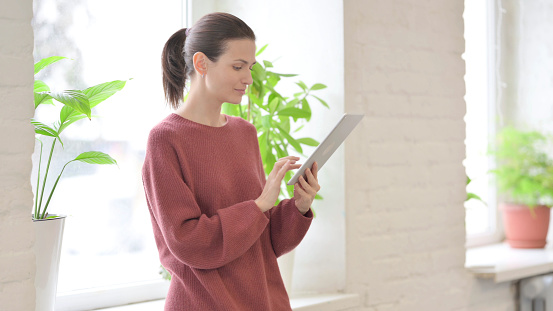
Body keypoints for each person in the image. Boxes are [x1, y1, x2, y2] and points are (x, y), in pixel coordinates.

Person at [142, 12, 321, 310]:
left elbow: (263, 241)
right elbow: (187, 241)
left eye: (250, 67)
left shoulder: (245, 132)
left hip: (263, 300)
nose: (248, 79)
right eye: (238, 67)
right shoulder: (166, 139)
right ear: (201, 64)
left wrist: (298, 206)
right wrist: (260, 205)